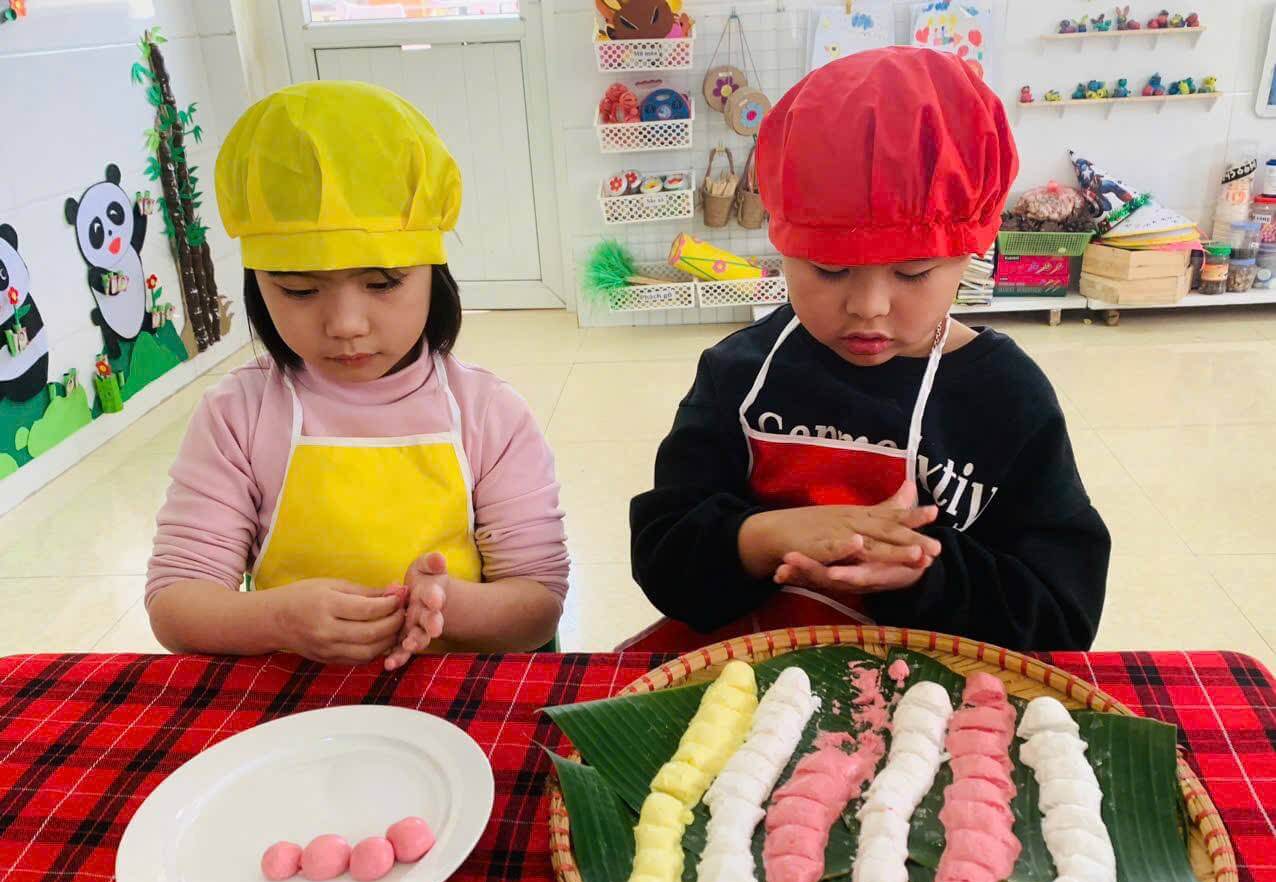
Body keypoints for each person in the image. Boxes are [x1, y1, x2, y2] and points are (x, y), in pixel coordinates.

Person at [629, 48, 1110, 653]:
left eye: (913, 272)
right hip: (747, 674)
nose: (868, 306)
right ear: (782, 246)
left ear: (970, 253)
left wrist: (924, 573)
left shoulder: (1008, 398)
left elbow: (1064, 616)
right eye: (828, 268)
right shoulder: (739, 374)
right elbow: (662, 554)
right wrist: (767, 536)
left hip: (939, 692)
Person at [146, 81, 568, 667]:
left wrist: (446, 606)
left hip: (453, 694)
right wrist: (276, 620)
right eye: (299, 290)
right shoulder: (237, 415)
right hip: (295, 697)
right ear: (258, 286)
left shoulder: (488, 414)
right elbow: (175, 604)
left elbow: (538, 603)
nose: (345, 324)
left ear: (434, 274)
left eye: (382, 283)